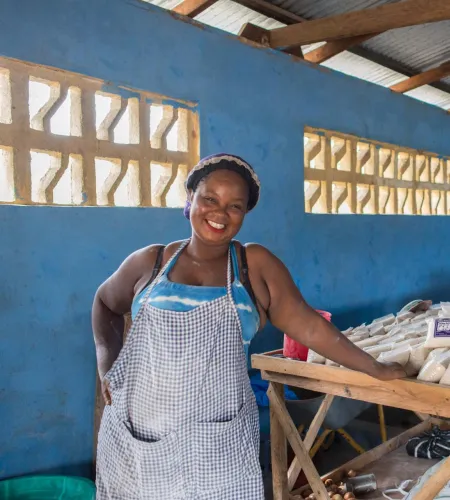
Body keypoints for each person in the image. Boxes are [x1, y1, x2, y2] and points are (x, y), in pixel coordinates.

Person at [92, 153, 406, 499]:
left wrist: (374, 367)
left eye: (234, 206)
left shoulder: (252, 267)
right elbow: (105, 304)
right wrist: (108, 364)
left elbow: (312, 328)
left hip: (217, 438)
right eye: (209, 198)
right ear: (190, 198)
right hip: (141, 434)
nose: (219, 213)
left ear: (245, 213)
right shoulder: (150, 263)